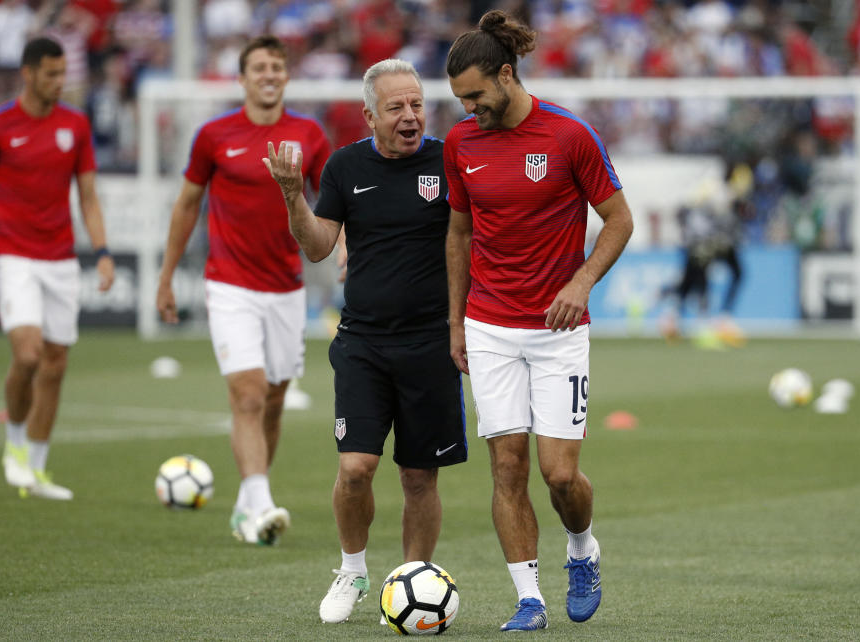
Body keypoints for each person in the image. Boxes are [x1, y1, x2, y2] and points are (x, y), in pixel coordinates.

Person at [444, 10, 634, 631]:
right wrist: (455, 322)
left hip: (557, 332)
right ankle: (529, 599)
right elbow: (460, 231)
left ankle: (582, 550)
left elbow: (619, 220)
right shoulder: (460, 144)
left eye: (476, 95)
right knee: (506, 466)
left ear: (506, 75)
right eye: (461, 99)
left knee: (559, 476)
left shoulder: (571, 136)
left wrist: (581, 282)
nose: (470, 108)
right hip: (489, 325)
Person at [263, 58, 467, 624]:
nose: (410, 116)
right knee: (355, 468)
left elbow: (476, 234)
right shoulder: (345, 166)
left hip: (431, 344)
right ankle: (352, 569)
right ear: (370, 115)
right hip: (364, 343)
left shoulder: (449, 160)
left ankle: (411, 583)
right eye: (397, 107)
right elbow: (317, 245)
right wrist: (291, 195)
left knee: (419, 476)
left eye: (417, 104)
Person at [155, 35, 331, 545]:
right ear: (242, 77)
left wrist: (344, 245)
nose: (269, 74)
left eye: (277, 65)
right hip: (229, 284)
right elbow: (188, 205)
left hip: (286, 287)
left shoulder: (308, 133)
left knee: (273, 397)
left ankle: (246, 503)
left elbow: (333, 199)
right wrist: (166, 276)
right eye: (259, 66)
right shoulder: (214, 135)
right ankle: (260, 504)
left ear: (287, 76)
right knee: (249, 395)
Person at [0, 36, 115, 500]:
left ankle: (38, 467)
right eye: (50, 74)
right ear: (28, 74)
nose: (58, 82)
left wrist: (102, 251)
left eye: (62, 73)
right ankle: (14, 447)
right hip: (11, 255)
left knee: (55, 363)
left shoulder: (75, 125)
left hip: (61, 259)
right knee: (27, 354)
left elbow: (88, 195)